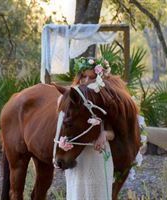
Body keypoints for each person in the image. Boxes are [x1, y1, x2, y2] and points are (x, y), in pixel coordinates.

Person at [65, 57, 114, 200]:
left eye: (91, 77)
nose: (86, 81)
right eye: (83, 76)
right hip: (78, 156)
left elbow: (113, 133)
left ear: (99, 79)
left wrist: (104, 134)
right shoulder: (70, 101)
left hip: (97, 156)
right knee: (77, 194)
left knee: (97, 194)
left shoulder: (105, 101)